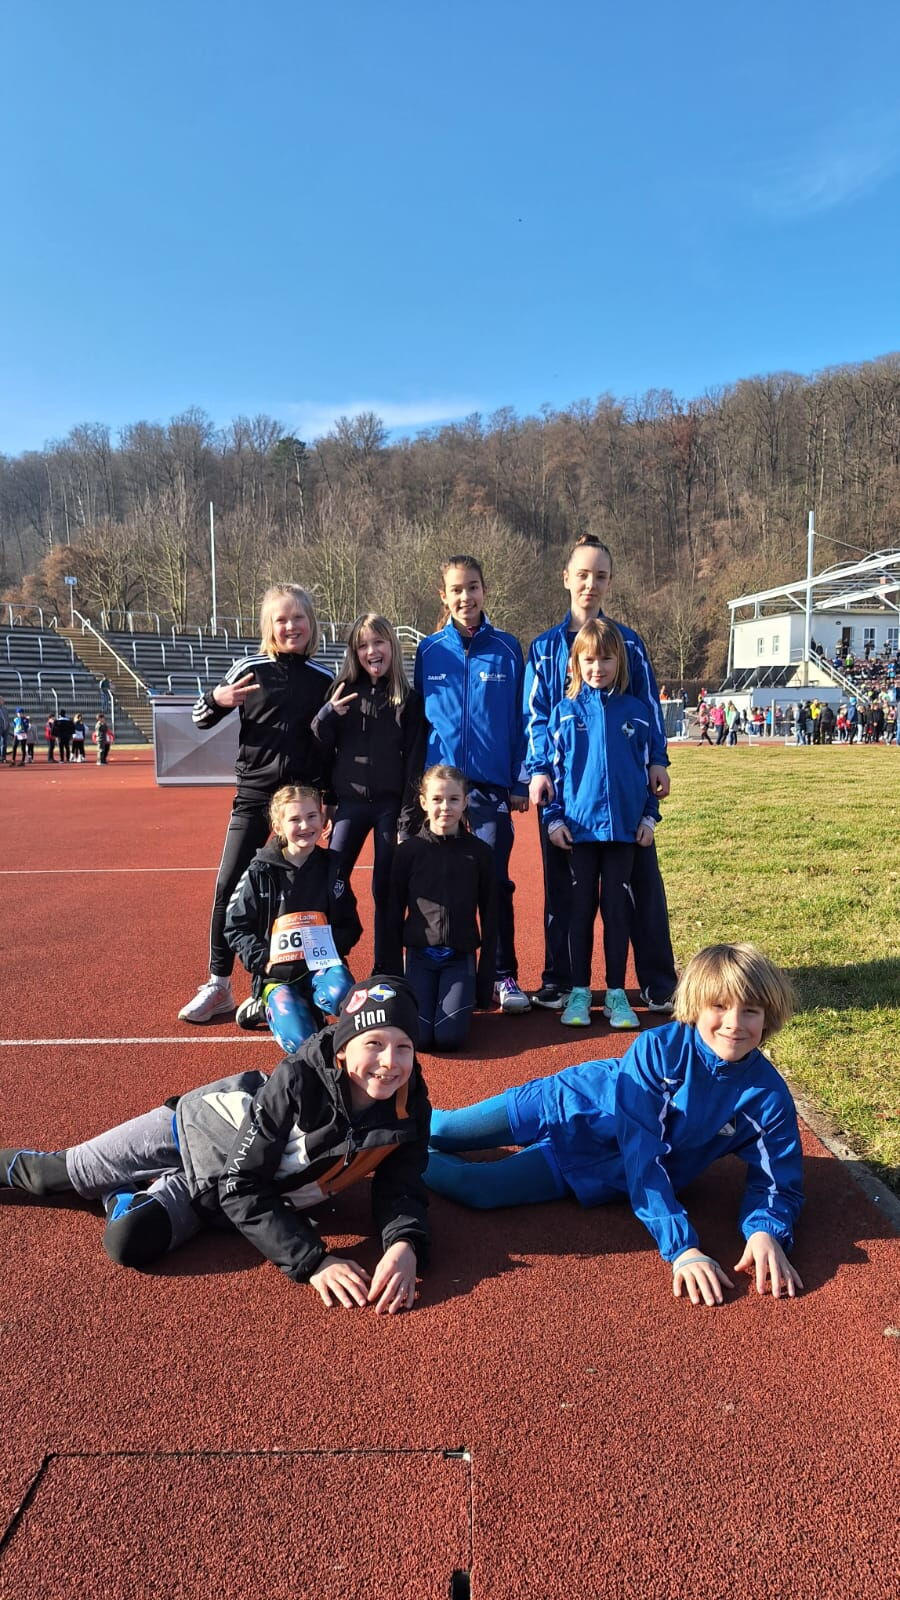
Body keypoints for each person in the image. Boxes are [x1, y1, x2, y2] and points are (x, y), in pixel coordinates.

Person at [0, 977, 430, 1314]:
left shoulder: (409, 1104)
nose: (389, 1062)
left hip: (223, 1189)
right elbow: (244, 1184)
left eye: (403, 1047)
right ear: (343, 1048)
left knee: (127, 1240)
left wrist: (404, 1244)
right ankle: (112, 1175)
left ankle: (124, 1190)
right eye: (373, 1043)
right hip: (195, 1128)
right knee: (48, 1177)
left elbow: (403, 1183)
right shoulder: (297, 1080)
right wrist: (313, 1261)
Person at [424, 943, 804, 1307]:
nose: (734, 1024)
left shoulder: (767, 1097)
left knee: (477, 1188)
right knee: (441, 1130)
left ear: (768, 1016)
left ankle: (401, 1157)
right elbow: (643, 1150)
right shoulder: (658, 1049)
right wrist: (682, 1247)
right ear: (696, 1006)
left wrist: (765, 1232)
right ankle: (391, 1136)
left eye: (750, 1010)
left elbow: (778, 1182)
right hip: (565, 1102)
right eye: (719, 1006)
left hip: (595, 1166)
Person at [523, 535, 675, 1014]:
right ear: (567, 578)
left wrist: (657, 760)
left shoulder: (628, 642)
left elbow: (647, 706)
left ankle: (656, 980)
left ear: (609, 582)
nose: (591, 584)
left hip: (623, 794)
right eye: (583, 574)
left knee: (640, 885)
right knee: (564, 889)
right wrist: (538, 771)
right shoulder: (544, 648)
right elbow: (536, 717)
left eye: (601, 576)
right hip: (567, 791)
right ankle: (560, 980)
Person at [179, 584, 332, 1024]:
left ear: (310, 623)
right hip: (254, 797)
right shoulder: (249, 668)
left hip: (300, 802)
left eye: (298, 618)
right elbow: (199, 718)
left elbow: (330, 746)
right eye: (281, 619)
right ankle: (219, 984)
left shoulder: (324, 679)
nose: (291, 626)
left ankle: (284, 985)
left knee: (293, 894)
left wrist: (329, 798)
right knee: (229, 886)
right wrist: (217, 700)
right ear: (269, 625)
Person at [414, 554, 531, 1014]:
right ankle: (441, 968)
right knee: (439, 881)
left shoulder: (507, 648)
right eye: (457, 590)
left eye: (473, 587)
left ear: (485, 590)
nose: (466, 597)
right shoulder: (428, 651)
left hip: (488, 789)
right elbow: (418, 723)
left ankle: (502, 974)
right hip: (440, 791)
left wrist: (518, 779)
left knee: (494, 881)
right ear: (443, 596)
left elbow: (523, 720)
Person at [543, 619, 660, 1030]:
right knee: (579, 911)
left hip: (623, 833)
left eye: (606, 659)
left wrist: (649, 817)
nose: (598, 667)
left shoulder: (637, 713)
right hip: (579, 832)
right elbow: (553, 774)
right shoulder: (564, 713)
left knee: (616, 911)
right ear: (575, 663)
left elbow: (647, 772)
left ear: (619, 662)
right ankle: (579, 990)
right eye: (589, 660)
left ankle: (615, 993)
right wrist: (553, 819)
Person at [311, 613, 427, 973]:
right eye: (363, 645)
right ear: (354, 652)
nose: (371, 651)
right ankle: (330, 962)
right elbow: (319, 748)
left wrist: (408, 820)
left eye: (378, 642)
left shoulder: (409, 700)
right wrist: (326, 715)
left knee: (386, 887)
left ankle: (386, 969)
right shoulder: (341, 692)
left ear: (392, 645)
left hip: (390, 808)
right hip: (350, 804)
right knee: (332, 879)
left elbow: (414, 764)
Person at [224, 785, 360, 1051]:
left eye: (311, 816)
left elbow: (350, 924)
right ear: (278, 826)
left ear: (323, 819)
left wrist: (330, 949)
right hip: (277, 975)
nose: (305, 825)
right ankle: (264, 1006)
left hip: (321, 968)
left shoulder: (333, 867)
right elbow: (235, 927)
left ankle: (312, 1002)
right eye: (295, 819)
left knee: (343, 996)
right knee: (301, 1043)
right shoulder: (259, 870)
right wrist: (263, 961)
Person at [385, 764, 497, 1051]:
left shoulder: (480, 853)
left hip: (459, 957)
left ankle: (460, 997)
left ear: (465, 802)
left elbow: (491, 915)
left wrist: (485, 983)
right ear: (423, 802)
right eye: (437, 799)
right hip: (420, 956)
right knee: (420, 1039)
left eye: (453, 799)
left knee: (449, 1039)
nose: (445, 807)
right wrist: (393, 975)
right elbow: (393, 912)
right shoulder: (408, 853)